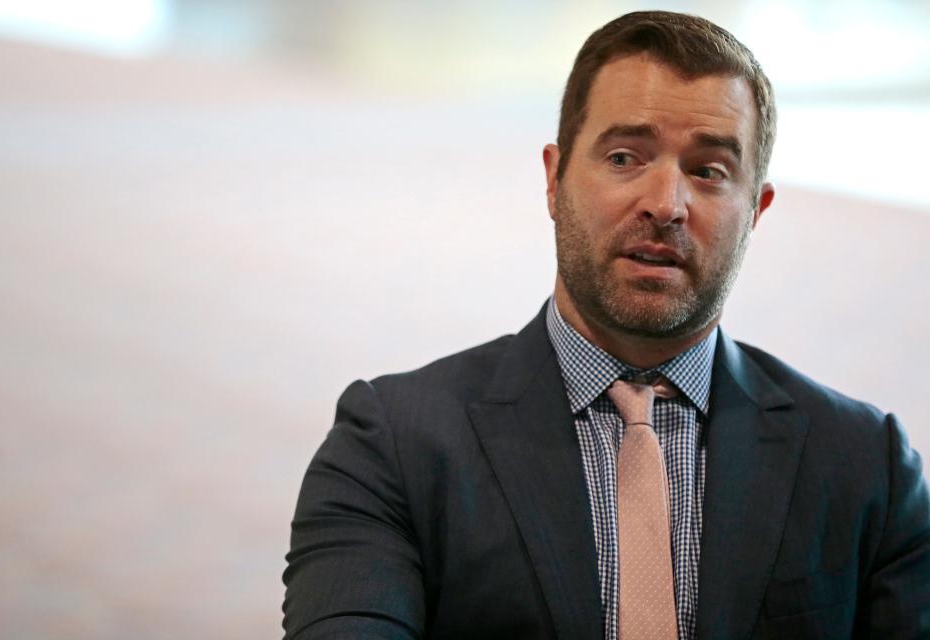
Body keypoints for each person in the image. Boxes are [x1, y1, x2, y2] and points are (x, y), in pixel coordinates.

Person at [282, 10, 930, 639]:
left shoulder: (867, 466)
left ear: (755, 209)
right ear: (555, 177)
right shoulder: (393, 446)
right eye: (625, 157)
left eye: (708, 171)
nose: (665, 205)